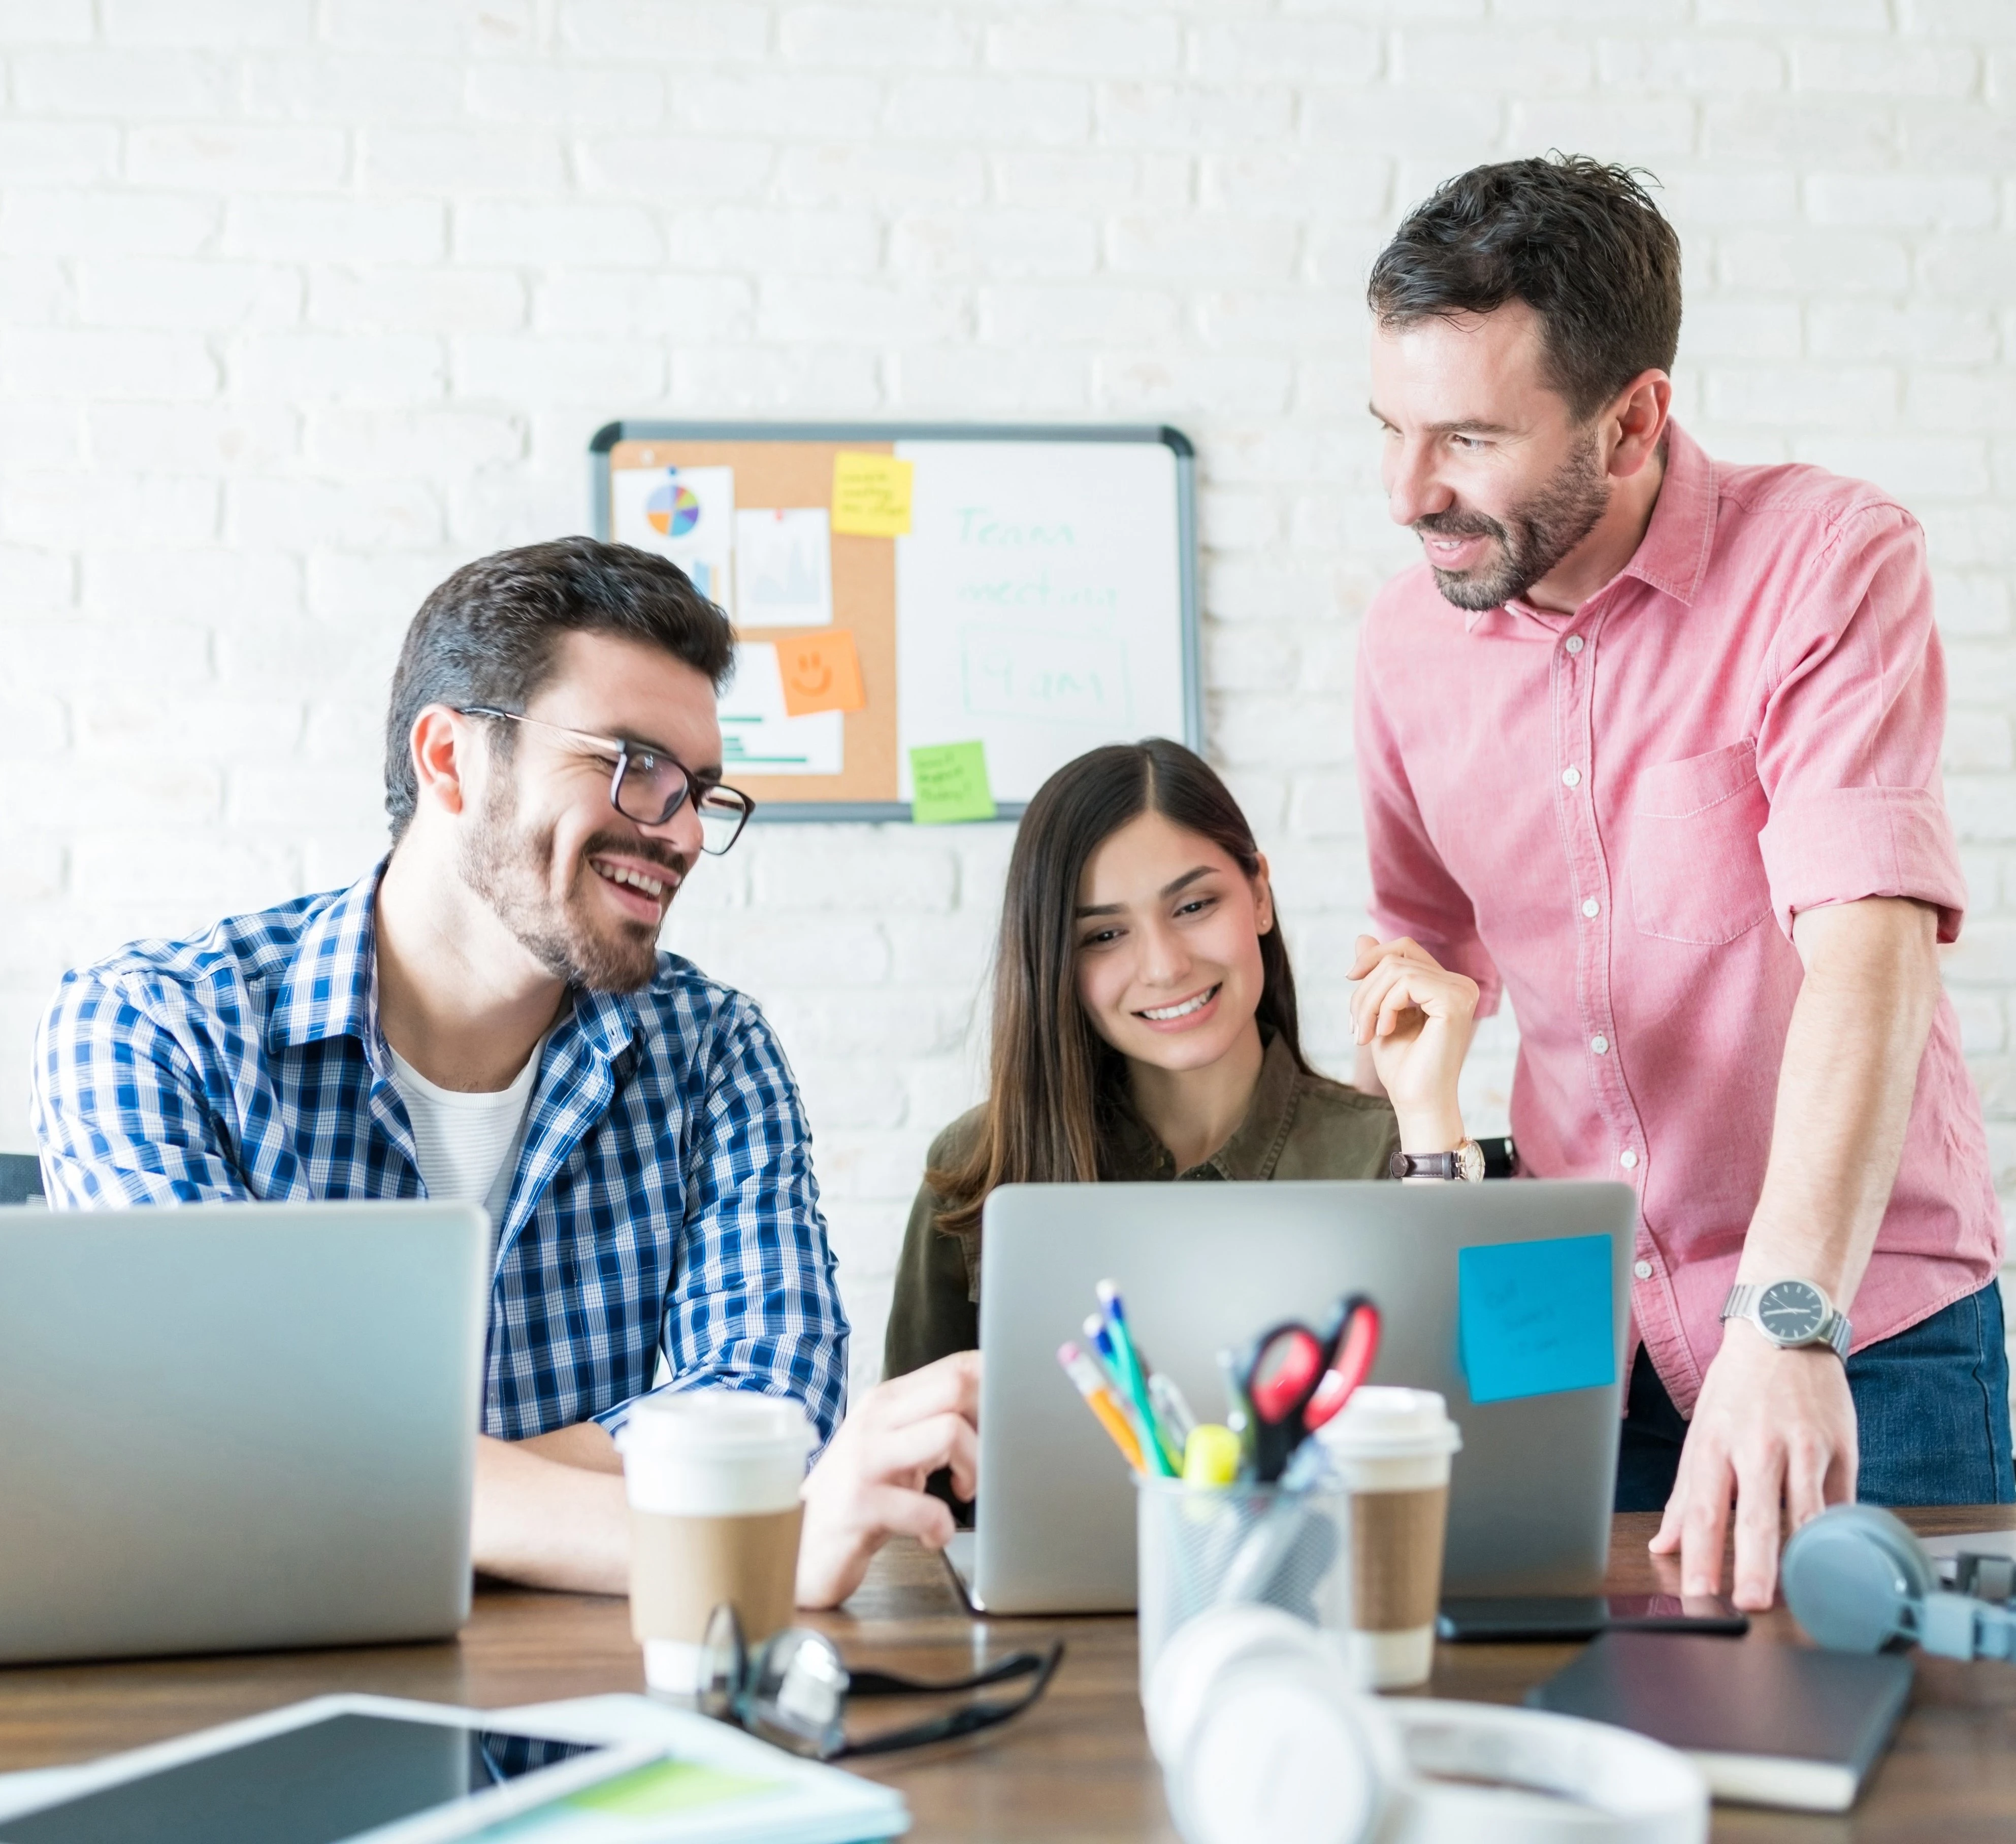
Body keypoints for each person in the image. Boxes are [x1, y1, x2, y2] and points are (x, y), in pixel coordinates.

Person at [1353, 154, 2009, 1612]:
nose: (1408, 494)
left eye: (1464, 437)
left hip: (1857, 1326)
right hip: (1572, 1335)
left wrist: (1787, 1325)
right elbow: (1425, 963)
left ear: (1634, 416)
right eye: (1389, 429)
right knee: (1581, 1743)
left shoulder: (1826, 564)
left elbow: (1870, 955)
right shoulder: (1404, 647)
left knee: (1919, 1780)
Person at [31, 537, 868, 1593]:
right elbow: (190, 1441)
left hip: (600, 1701)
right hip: (284, 1706)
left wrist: (361, 1478)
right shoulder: (156, 1026)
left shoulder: (711, 1050)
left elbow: (771, 1402)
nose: (686, 833)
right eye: (631, 765)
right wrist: (726, 1546)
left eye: (698, 787)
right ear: (448, 759)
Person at [885, 737, 1483, 1382]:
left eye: (1194, 906)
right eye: (1105, 935)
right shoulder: (979, 1169)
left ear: (1258, 894)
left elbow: (1474, 1425)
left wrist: (1426, 1115)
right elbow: (915, 1466)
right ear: (1056, 959)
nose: (1166, 965)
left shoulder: (1391, 1152)